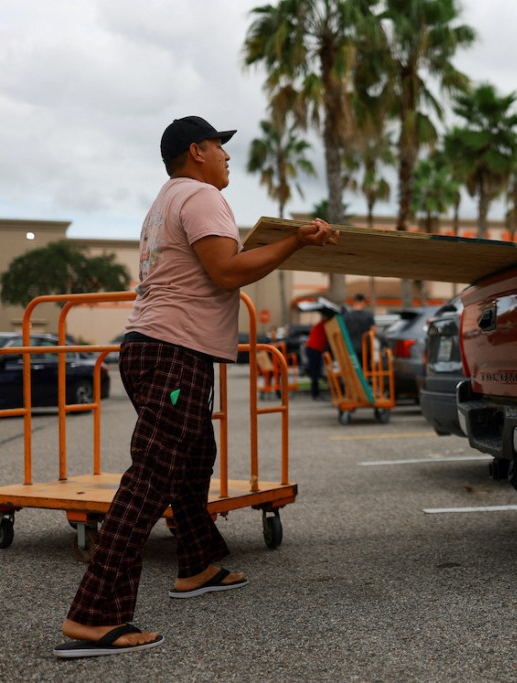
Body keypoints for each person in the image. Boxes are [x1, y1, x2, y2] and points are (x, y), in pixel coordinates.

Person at [54, 115, 339, 659]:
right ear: (196, 151)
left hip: (153, 346)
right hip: (174, 352)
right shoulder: (202, 197)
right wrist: (296, 244)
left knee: (192, 456)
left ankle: (197, 563)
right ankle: (96, 614)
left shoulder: (166, 198)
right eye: (219, 146)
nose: (227, 156)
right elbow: (227, 271)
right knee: (153, 474)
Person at [304, 309, 334, 399]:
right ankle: (315, 394)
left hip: (313, 348)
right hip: (314, 349)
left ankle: (316, 392)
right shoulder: (325, 325)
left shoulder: (321, 324)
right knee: (316, 371)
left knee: (316, 371)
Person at [341, 293, 376, 362]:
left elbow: (343, 332)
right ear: (362, 302)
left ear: (354, 301)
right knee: (365, 370)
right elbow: (374, 331)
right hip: (365, 349)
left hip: (350, 348)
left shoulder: (346, 316)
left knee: (353, 370)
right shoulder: (368, 315)